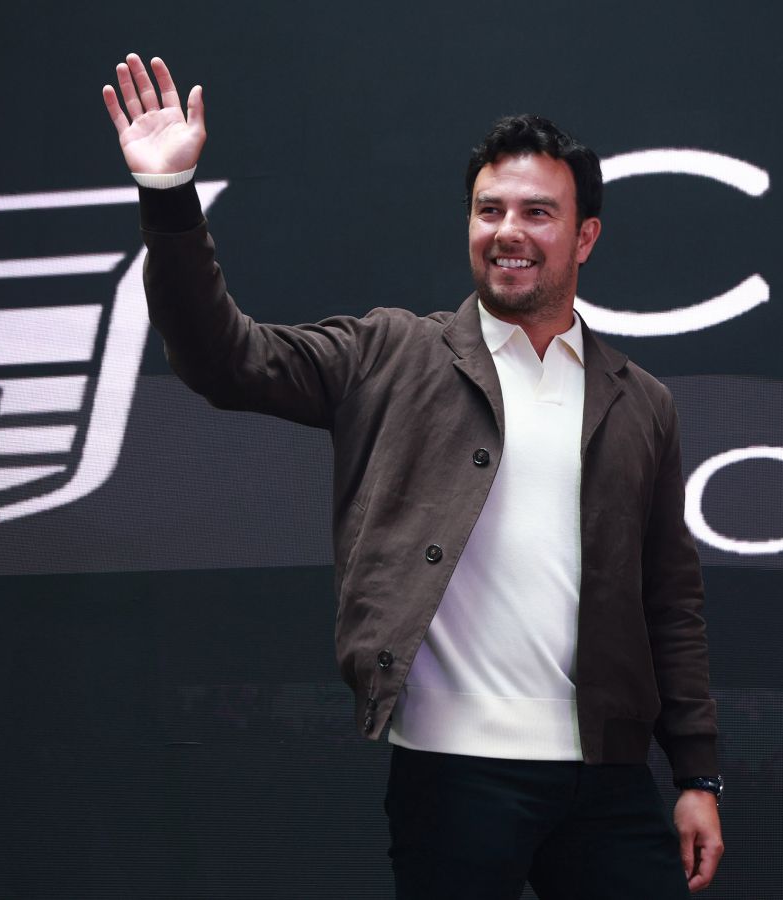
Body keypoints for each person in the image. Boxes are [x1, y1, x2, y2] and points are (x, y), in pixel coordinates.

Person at [103, 53, 724, 898]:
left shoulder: (640, 401)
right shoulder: (389, 353)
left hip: (608, 781)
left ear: (585, 237)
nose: (508, 231)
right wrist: (170, 197)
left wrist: (696, 774)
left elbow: (670, 601)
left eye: (537, 212)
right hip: (452, 774)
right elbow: (223, 358)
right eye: (489, 210)